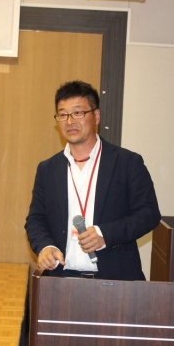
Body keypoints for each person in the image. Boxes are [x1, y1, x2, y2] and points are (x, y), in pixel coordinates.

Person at [24, 80, 161, 281]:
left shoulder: (127, 162)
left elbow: (149, 214)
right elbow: (36, 219)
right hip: (61, 281)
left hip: (116, 282)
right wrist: (46, 246)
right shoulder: (48, 169)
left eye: (78, 113)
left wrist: (105, 234)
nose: (70, 121)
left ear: (96, 116)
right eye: (63, 114)